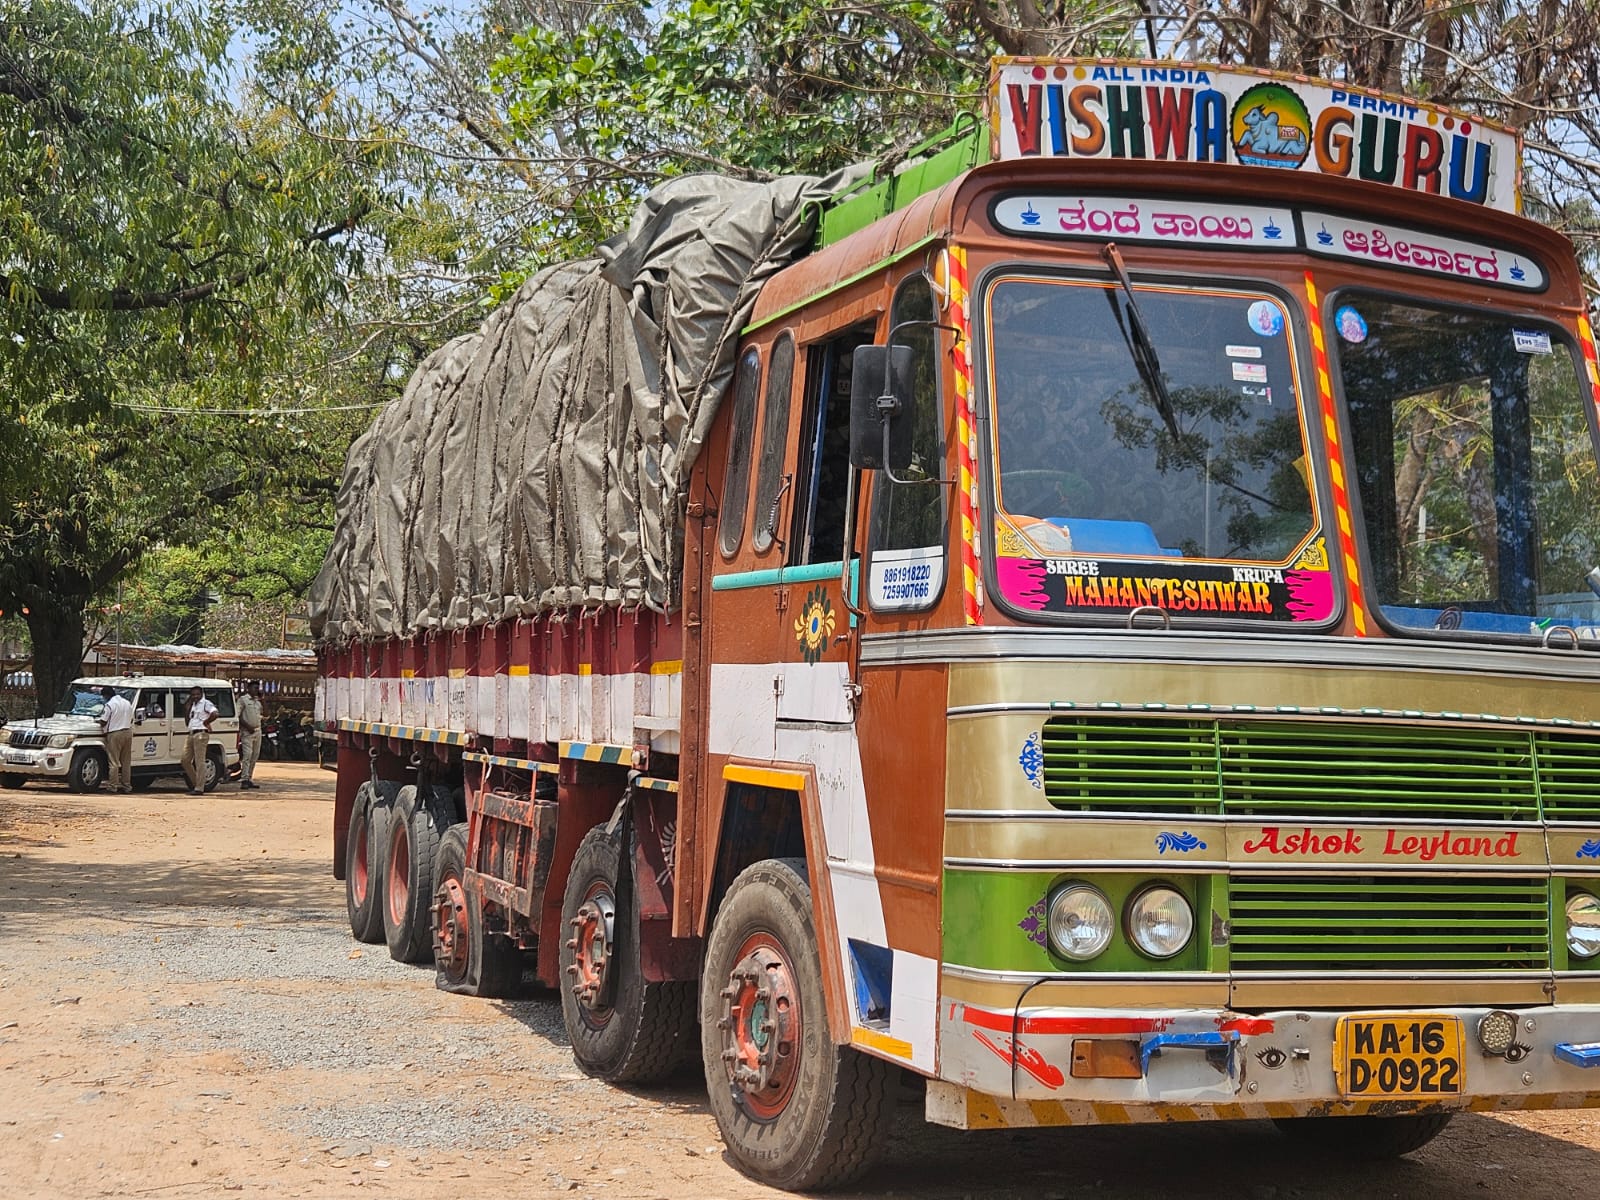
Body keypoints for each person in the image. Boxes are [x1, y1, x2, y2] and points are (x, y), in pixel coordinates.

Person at [180, 685, 217, 795]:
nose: (195, 696)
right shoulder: (193, 705)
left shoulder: (205, 703)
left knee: (199, 761)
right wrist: (188, 706)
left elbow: (215, 713)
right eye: (193, 694)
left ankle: (199, 788)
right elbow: (188, 721)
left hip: (201, 733)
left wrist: (206, 722)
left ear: (201, 694)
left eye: (197, 694)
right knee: (185, 760)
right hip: (191, 733)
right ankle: (197, 783)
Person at [97, 685, 135, 794]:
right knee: (126, 762)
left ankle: (113, 786)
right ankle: (127, 786)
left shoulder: (110, 705)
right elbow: (131, 718)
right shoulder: (127, 703)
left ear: (106, 695)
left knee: (113, 761)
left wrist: (98, 722)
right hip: (127, 732)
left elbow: (103, 721)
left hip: (115, 733)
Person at [237, 682, 263, 790]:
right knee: (247, 755)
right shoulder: (243, 700)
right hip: (247, 732)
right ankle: (244, 779)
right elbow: (237, 716)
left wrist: (263, 699)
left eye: (258, 688)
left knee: (255, 756)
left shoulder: (257, 702)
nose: (256, 690)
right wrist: (247, 726)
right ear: (248, 689)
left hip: (257, 730)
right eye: (254, 688)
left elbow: (265, 713)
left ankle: (249, 778)